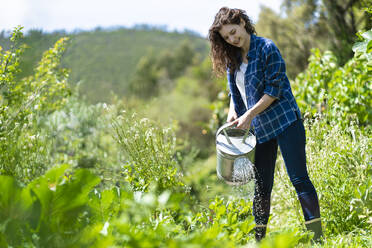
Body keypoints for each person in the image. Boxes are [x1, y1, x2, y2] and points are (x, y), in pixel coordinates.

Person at [208, 7, 323, 242]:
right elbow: (235, 94)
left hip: (285, 121)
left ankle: (317, 239)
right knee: (262, 187)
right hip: (260, 129)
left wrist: (249, 115)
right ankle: (258, 240)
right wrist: (233, 112)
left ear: (242, 22)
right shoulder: (233, 61)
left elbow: (274, 90)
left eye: (233, 32)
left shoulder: (267, 48)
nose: (232, 39)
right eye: (226, 37)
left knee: (299, 179)